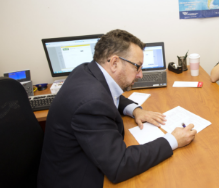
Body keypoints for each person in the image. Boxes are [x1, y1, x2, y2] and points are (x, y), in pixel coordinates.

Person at [37, 29, 197, 188]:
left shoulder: (88, 71)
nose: (140, 75)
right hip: (75, 178)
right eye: (137, 67)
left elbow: (110, 93)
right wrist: (173, 140)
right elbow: (120, 165)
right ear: (114, 63)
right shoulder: (91, 103)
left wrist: (135, 110)